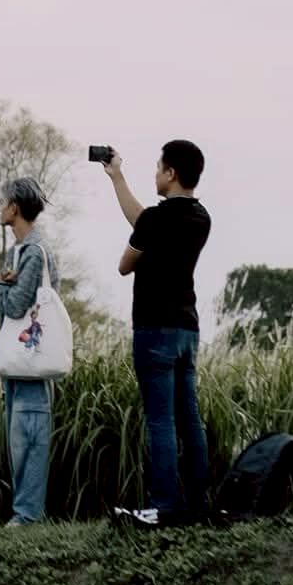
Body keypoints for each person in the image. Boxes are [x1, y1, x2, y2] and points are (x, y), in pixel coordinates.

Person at [105, 140, 213, 526]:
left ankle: (164, 505)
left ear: (171, 173)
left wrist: (143, 251)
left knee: (161, 420)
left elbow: (125, 264)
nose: (155, 174)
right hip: (187, 328)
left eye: (157, 167)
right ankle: (198, 501)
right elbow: (146, 222)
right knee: (189, 417)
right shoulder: (201, 218)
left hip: (154, 329)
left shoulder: (155, 220)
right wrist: (117, 178)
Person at [0, 179, 56, 525]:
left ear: (14, 208)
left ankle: (27, 514)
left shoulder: (34, 252)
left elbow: (12, 307)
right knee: (20, 437)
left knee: (30, 436)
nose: (0, 208)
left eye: (2, 202)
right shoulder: (20, 252)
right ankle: (23, 512)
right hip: (21, 356)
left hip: (31, 357)